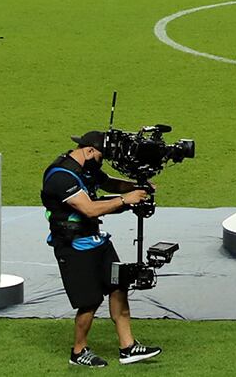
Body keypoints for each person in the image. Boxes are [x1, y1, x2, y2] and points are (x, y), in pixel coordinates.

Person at [41, 132, 161, 368]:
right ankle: (78, 352)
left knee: (118, 286)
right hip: (74, 246)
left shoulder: (85, 167)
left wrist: (138, 186)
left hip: (97, 241)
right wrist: (126, 199)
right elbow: (90, 209)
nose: (102, 160)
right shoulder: (61, 177)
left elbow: (108, 183)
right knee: (90, 301)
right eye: (101, 156)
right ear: (89, 151)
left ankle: (128, 347)